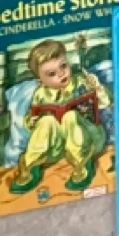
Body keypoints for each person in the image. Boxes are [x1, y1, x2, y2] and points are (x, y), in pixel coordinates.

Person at [8, 39, 109, 195]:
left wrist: (98, 89)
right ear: (40, 80)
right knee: (46, 121)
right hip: (58, 146)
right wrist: (33, 121)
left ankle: (82, 163)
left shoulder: (80, 82)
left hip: (88, 138)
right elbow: (32, 119)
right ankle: (31, 165)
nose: (61, 74)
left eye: (63, 66)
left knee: (70, 116)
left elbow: (105, 103)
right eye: (52, 74)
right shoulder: (40, 94)